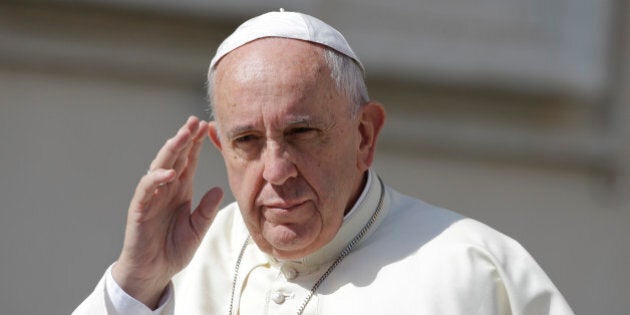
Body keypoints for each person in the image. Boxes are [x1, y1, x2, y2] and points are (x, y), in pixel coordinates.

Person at [74, 10, 574, 315]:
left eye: (302, 133)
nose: (276, 171)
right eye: (247, 140)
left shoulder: (475, 270)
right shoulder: (170, 274)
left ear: (363, 135)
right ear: (221, 150)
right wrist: (136, 283)